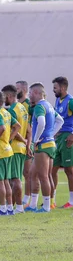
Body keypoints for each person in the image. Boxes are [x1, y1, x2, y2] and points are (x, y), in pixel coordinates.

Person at [27, 83, 63, 212]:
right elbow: (60, 121)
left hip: (43, 145)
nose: (29, 96)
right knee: (34, 174)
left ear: (36, 93)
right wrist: (51, 134)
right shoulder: (49, 106)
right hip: (50, 143)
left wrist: (35, 140)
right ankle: (33, 205)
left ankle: (46, 206)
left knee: (43, 176)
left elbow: (41, 123)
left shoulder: (39, 106)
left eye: (30, 93)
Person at [0, 91, 21, 217]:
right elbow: (17, 126)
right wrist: (9, 139)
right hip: (8, 150)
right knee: (6, 181)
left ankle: (2, 209)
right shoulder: (6, 112)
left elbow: (1, 128)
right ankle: (9, 208)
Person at [3, 84, 29, 214]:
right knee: (16, 178)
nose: (3, 100)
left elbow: (15, 128)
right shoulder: (22, 108)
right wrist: (27, 143)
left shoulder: (12, 110)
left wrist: (9, 140)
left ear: (9, 96)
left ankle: (18, 208)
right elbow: (28, 129)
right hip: (22, 148)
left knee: (14, 179)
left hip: (14, 148)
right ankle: (12, 207)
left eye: (4, 97)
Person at [52, 77, 73, 208]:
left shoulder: (70, 101)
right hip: (57, 138)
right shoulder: (58, 100)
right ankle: (51, 201)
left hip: (67, 137)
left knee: (69, 170)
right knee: (52, 171)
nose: (54, 90)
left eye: (55, 87)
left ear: (63, 88)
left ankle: (72, 201)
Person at [16, 80, 34, 207]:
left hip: (28, 141)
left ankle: (28, 199)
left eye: (18, 88)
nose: (16, 91)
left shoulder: (29, 105)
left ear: (25, 90)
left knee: (27, 172)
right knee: (21, 172)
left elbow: (31, 126)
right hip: (19, 142)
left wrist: (30, 142)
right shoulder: (18, 105)